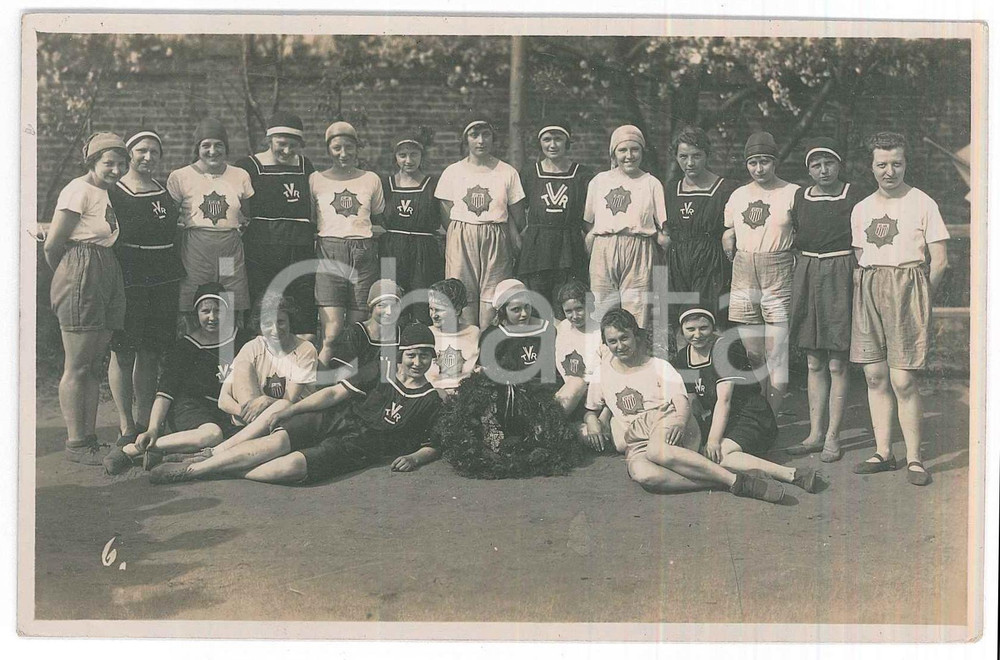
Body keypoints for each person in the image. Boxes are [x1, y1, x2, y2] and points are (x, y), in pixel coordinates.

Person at [149, 324, 443, 485]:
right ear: (401, 354)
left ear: (433, 359)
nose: (418, 363)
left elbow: (434, 442)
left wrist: (416, 458)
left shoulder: (431, 399)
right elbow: (332, 395)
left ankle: (216, 466)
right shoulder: (380, 370)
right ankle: (194, 470)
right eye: (412, 355)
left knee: (288, 468)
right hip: (335, 418)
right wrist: (293, 409)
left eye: (425, 356)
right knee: (277, 442)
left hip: (360, 445)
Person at [583, 309, 784, 502]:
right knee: (642, 474)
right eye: (612, 341)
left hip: (671, 424)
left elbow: (681, 400)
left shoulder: (658, 366)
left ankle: (733, 480)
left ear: (636, 336)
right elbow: (591, 409)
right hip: (638, 440)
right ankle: (725, 480)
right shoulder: (603, 373)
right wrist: (592, 422)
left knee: (656, 449)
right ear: (605, 344)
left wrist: (679, 422)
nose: (620, 346)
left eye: (624, 338)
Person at [849, 131, 950, 486]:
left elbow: (939, 261)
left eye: (896, 163)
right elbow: (861, 256)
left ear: (905, 163)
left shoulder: (923, 202)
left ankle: (914, 458)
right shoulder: (861, 208)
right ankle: (883, 451)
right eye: (882, 164)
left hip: (909, 289)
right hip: (870, 287)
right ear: (872, 166)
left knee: (903, 379)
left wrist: (920, 297)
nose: (889, 171)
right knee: (874, 376)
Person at [432, 279, 581, 479]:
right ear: (502, 311)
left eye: (527, 307)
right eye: (516, 309)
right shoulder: (493, 336)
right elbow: (489, 379)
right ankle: (535, 434)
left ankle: (543, 431)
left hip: (545, 396)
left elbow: (552, 372)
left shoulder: (546, 329)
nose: (524, 314)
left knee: (577, 383)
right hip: (512, 402)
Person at [102, 283, 251, 474]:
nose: (212, 317)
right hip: (190, 408)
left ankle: (170, 455)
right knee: (212, 434)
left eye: (218, 310)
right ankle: (131, 450)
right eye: (206, 311)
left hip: (226, 409)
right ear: (196, 312)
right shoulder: (185, 347)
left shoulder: (243, 340)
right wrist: (154, 428)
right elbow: (165, 393)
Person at [44, 132, 129, 464]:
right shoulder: (77, 189)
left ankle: (88, 439)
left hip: (106, 267)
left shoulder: (104, 192)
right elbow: (53, 244)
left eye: (122, 163)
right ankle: (75, 442)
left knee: (93, 364)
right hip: (82, 268)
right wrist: (70, 274)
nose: (116, 169)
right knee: (77, 364)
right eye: (109, 163)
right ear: (93, 161)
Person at [671, 308, 819, 493]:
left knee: (718, 454)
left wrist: (713, 440)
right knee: (696, 453)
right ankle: (754, 472)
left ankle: (793, 474)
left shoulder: (725, 348)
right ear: (682, 330)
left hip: (751, 416)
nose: (697, 334)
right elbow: (692, 400)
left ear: (713, 327)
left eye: (704, 328)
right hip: (722, 419)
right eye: (690, 329)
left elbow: (724, 400)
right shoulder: (682, 357)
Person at [785, 138, 867, 462]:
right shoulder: (799, 197)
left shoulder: (853, 195)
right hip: (807, 271)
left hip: (840, 272)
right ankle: (815, 434)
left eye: (829, 163)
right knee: (813, 361)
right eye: (816, 165)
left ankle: (833, 435)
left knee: (837, 361)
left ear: (839, 165)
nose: (823, 170)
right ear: (809, 169)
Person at [107, 128, 185, 447]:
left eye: (154, 151)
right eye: (141, 151)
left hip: (163, 278)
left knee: (151, 351)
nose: (148, 157)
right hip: (129, 279)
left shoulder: (164, 191)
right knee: (123, 352)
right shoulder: (114, 191)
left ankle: (144, 421)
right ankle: (125, 423)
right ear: (129, 155)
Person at [722, 131, 800, 415]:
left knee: (776, 350)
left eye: (765, 162)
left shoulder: (791, 192)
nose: (759, 169)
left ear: (775, 162)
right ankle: (761, 412)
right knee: (753, 352)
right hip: (744, 269)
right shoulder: (739, 195)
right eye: (753, 162)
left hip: (778, 269)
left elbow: (801, 234)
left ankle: (773, 414)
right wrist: (727, 236)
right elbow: (729, 229)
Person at [435, 116, 526, 329]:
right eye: (474, 135)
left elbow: (518, 213)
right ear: (465, 139)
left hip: (496, 236)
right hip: (461, 234)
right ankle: (467, 350)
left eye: (486, 134)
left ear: (494, 138)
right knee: (461, 294)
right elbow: (445, 210)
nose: (481, 140)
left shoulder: (507, 171)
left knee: (493, 297)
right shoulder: (453, 171)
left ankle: (486, 349)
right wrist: (463, 232)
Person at [234, 111, 317, 336]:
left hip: (299, 248)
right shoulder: (248, 166)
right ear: (269, 140)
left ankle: (300, 365)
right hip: (262, 249)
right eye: (281, 144)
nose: (287, 150)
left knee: (300, 307)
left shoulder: (305, 166)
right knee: (263, 305)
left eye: (293, 145)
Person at [311, 121, 386, 365]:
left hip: (363, 254)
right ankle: (318, 387)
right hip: (329, 253)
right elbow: (313, 219)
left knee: (357, 331)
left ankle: (352, 392)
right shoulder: (316, 180)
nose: (343, 154)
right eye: (337, 148)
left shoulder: (371, 179)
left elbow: (377, 216)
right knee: (331, 334)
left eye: (349, 147)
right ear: (328, 150)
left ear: (357, 148)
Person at [167, 117, 254, 319]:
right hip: (197, 247)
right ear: (197, 148)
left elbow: (249, 214)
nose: (213, 151)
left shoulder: (239, 175)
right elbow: (170, 218)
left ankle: (230, 346)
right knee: (194, 297)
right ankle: (194, 346)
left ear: (226, 148)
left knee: (229, 294)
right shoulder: (181, 176)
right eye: (206, 145)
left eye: (219, 145)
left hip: (228, 248)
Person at [584, 125, 668, 330]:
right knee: (602, 307)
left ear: (642, 152)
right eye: (623, 150)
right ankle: (603, 356)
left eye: (635, 149)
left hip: (639, 248)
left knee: (636, 310)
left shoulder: (651, 183)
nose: (629, 156)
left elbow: (664, 226)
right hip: (604, 247)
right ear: (613, 153)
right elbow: (588, 222)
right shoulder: (599, 181)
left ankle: (634, 358)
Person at [664, 126, 739, 326]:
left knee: (709, 321)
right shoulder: (670, 189)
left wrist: (729, 231)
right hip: (678, 263)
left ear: (707, 155)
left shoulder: (726, 189)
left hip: (711, 263)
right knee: (682, 323)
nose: (690, 163)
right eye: (683, 156)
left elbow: (737, 222)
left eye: (696, 156)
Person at [516, 121, 591, 308]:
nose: (552, 144)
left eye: (558, 139)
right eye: (547, 139)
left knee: (568, 303)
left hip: (569, 247)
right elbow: (514, 211)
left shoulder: (582, 174)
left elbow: (591, 216)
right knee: (537, 306)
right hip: (537, 248)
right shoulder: (529, 173)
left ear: (567, 141)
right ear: (540, 142)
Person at [378, 132, 444, 324]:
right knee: (392, 300)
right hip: (392, 249)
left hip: (423, 250)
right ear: (395, 157)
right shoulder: (385, 185)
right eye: (403, 155)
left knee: (421, 303)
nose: (408, 160)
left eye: (414, 154)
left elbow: (443, 220)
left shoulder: (432, 185)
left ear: (422, 155)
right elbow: (378, 216)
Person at [324, 279, 401, 383]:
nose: (389, 312)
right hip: (356, 392)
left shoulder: (402, 333)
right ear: (371, 306)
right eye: (382, 305)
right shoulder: (356, 333)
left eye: (394, 306)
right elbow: (342, 377)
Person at [553, 279, 602, 417]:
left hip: (592, 401)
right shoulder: (563, 327)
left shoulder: (600, 333)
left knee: (578, 382)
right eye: (568, 311)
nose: (574, 316)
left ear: (590, 306)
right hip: (566, 395)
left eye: (579, 308)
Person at [426, 278, 480, 396]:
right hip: (432, 398)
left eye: (439, 310)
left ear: (457, 310)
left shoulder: (474, 333)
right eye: (431, 309)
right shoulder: (426, 334)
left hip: (466, 398)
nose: (434, 315)